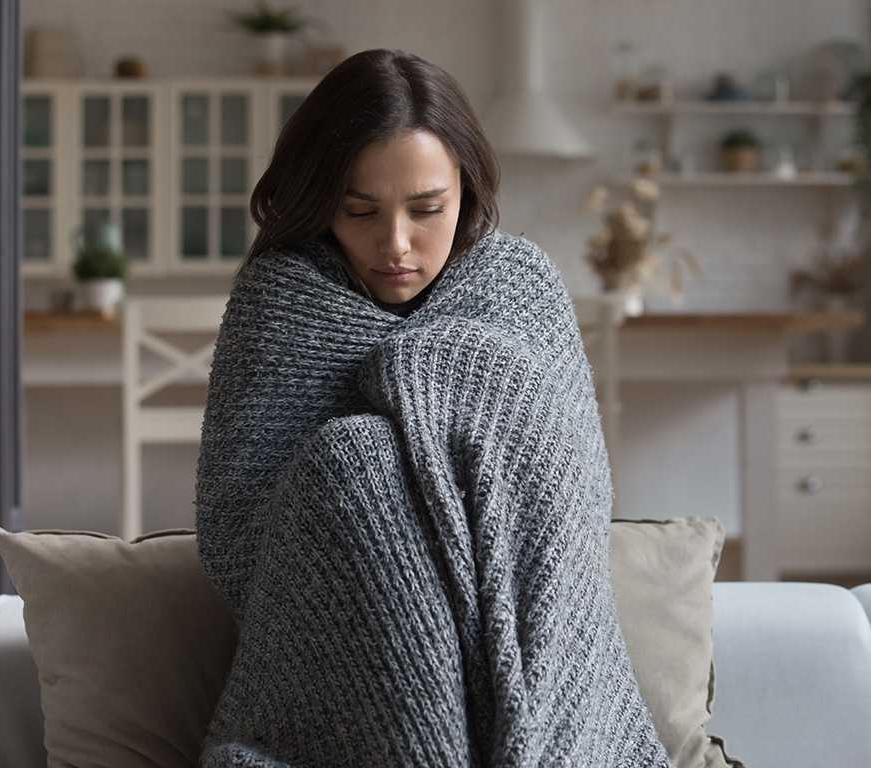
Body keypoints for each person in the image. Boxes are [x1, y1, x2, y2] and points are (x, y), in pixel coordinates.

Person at [195, 49, 672, 768]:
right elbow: (237, 534)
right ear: (320, 201)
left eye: (426, 211)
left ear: (466, 192)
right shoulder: (275, 304)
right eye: (359, 211)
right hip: (336, 642)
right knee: (354, 464)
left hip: (513, 607)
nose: (396, 245)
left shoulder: (518, 288)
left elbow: (572, 490)